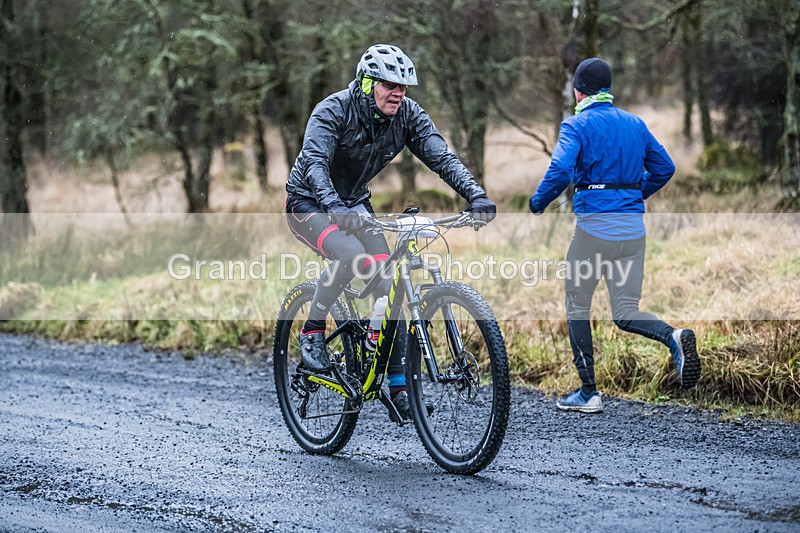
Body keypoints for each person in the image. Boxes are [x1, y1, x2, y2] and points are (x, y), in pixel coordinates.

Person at [285, 44, 497, 418]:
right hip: (309, 202)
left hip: (353, 203)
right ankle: (312, 332)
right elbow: (316, 164)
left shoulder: (407, 115)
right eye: (389, 85)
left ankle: (399, 388)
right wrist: (334, 207)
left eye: (404, 87)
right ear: (367, 84)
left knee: (389, 284)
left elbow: (441, 158)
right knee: (350, 256)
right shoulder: (332, 110)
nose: (398, 93)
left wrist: (476, 196)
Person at [529, 57, 700, 414]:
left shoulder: (576, 125)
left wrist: (537, 202)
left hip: (594, 233)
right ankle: (672, 336)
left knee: (577, 305)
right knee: (625, 311)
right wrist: (634, 194)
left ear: (579, 90)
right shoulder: (635, 124)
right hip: (632, 234)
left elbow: (560, 169)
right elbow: (665, 168)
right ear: (607, 89)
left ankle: (588, 391)